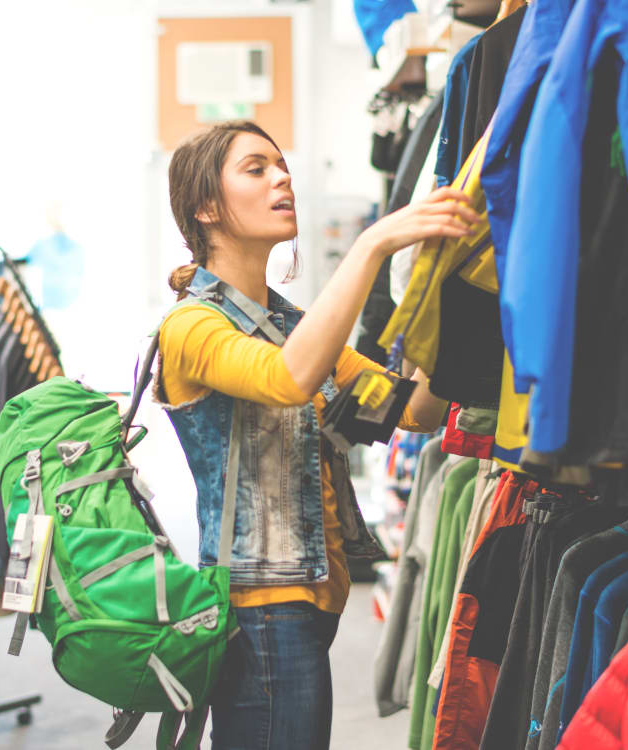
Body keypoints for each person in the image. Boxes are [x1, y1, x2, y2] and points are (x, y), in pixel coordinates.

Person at [155, 120, 477, 749]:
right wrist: (371, 246)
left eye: (283, 167)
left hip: (310, 601)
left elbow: (410, 411)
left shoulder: (289, 323)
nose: (282, 179)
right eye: (256, 168)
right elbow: (286, 379)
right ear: (205, 206)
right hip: (260, 611)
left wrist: (445, 299)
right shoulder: (191, 326)